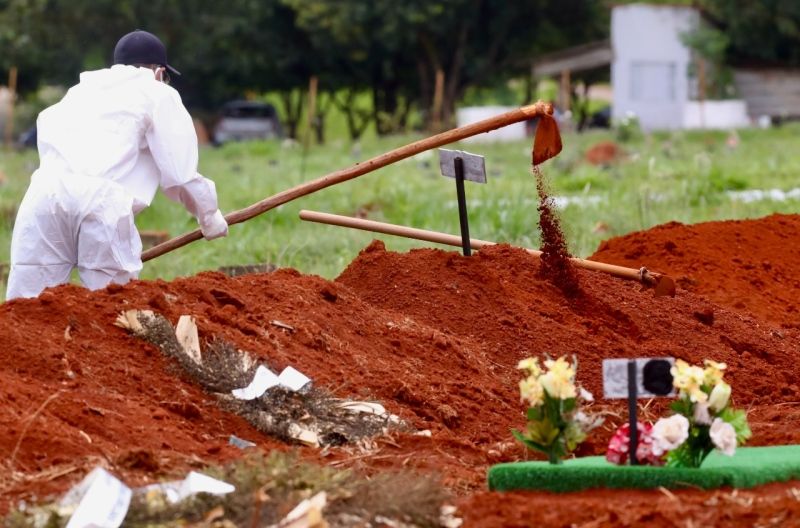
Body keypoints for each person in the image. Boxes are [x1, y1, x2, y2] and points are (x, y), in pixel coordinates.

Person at [6, 30, 228, 300]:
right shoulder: (157, 92)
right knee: (112, 310)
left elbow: (47, 129)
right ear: (158, 72)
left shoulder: (80, 91)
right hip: (101, 202)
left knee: (26, 311)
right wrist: (210, 217)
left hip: (43, 197)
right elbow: (180, 174)